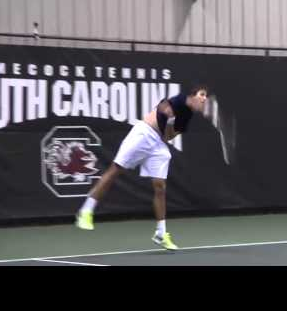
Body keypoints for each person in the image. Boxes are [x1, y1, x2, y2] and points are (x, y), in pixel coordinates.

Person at [75, 85, 208, 250]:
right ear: (193, 95)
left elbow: (168, 136)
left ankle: (161, 233)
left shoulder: (187, 118)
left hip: (158, 145)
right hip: (143, 133)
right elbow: (162, 106)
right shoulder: (181, 99)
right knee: (115, 170)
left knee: (160, 187)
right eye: (202, 94)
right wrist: (167, 113)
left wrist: (171, 123)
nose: (204, 99)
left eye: (206, 96)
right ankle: (86, 211)